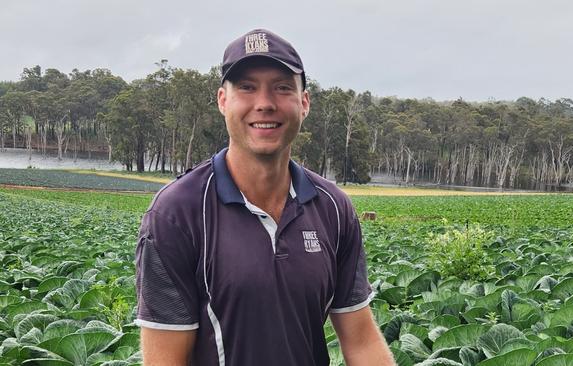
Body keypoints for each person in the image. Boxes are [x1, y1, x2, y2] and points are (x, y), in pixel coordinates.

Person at [134, 28, 395, 366]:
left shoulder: (333, 208)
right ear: (222, 100)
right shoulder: (176, 213)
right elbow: (165, 360)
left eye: (282, 88)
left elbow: (361, 341)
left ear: (303, 103)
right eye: (247, 87)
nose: (265, 103)